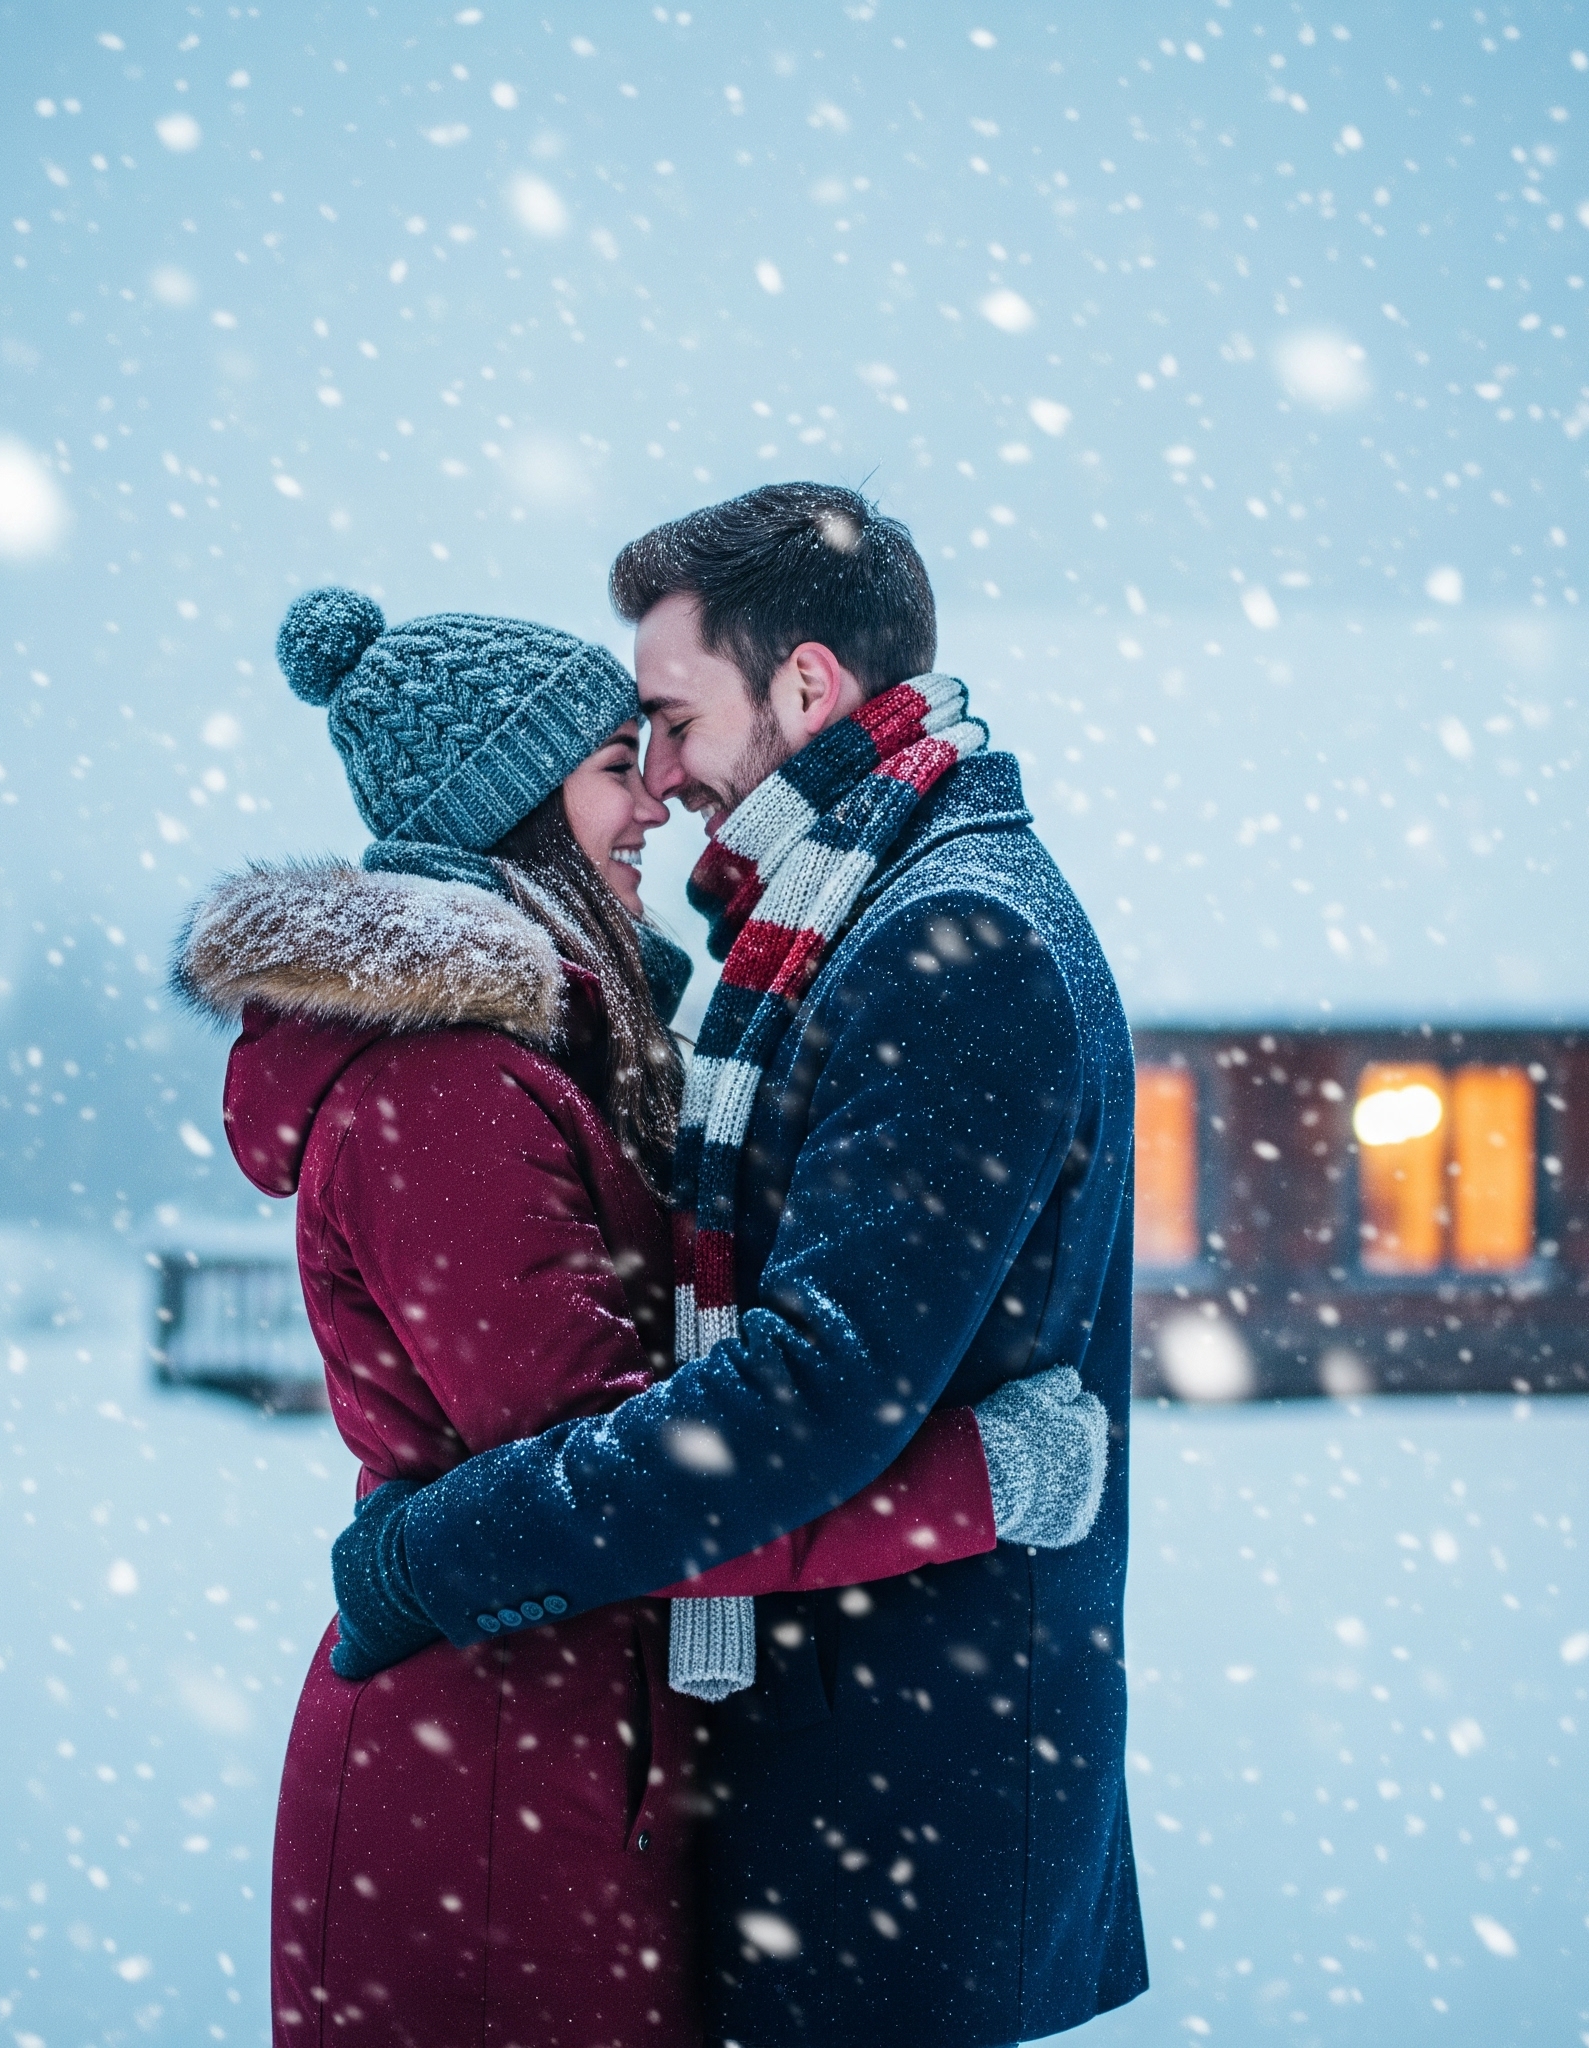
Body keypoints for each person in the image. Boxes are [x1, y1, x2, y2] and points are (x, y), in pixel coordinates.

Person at [172, 593, 1107, 2047]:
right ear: (515, 807)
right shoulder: (447, 1094)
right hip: (489, 1775)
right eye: (621, 760)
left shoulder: (536, 1060)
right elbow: (630, 1492)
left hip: (560, 1740)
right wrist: (985, 1483)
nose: (658, 797)